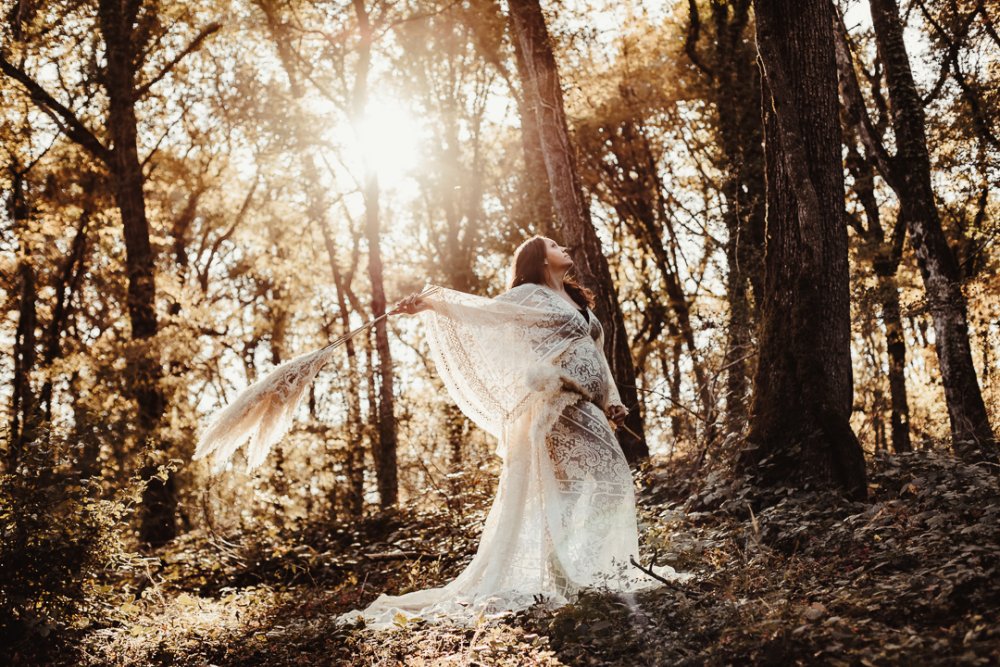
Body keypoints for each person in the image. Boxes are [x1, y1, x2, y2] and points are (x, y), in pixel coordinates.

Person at [337, 235, 688, 629]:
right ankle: (578, 576)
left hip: (587, 403)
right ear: (539, 260)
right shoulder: (529, 295)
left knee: (572, 493)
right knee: (610, 478)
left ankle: (571, 578)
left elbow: (597, 355)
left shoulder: (578, 302)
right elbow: (486, 313)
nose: (564, 248)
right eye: (554, 246)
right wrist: (431, 303)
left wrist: (611, 400)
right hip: (558, 403)